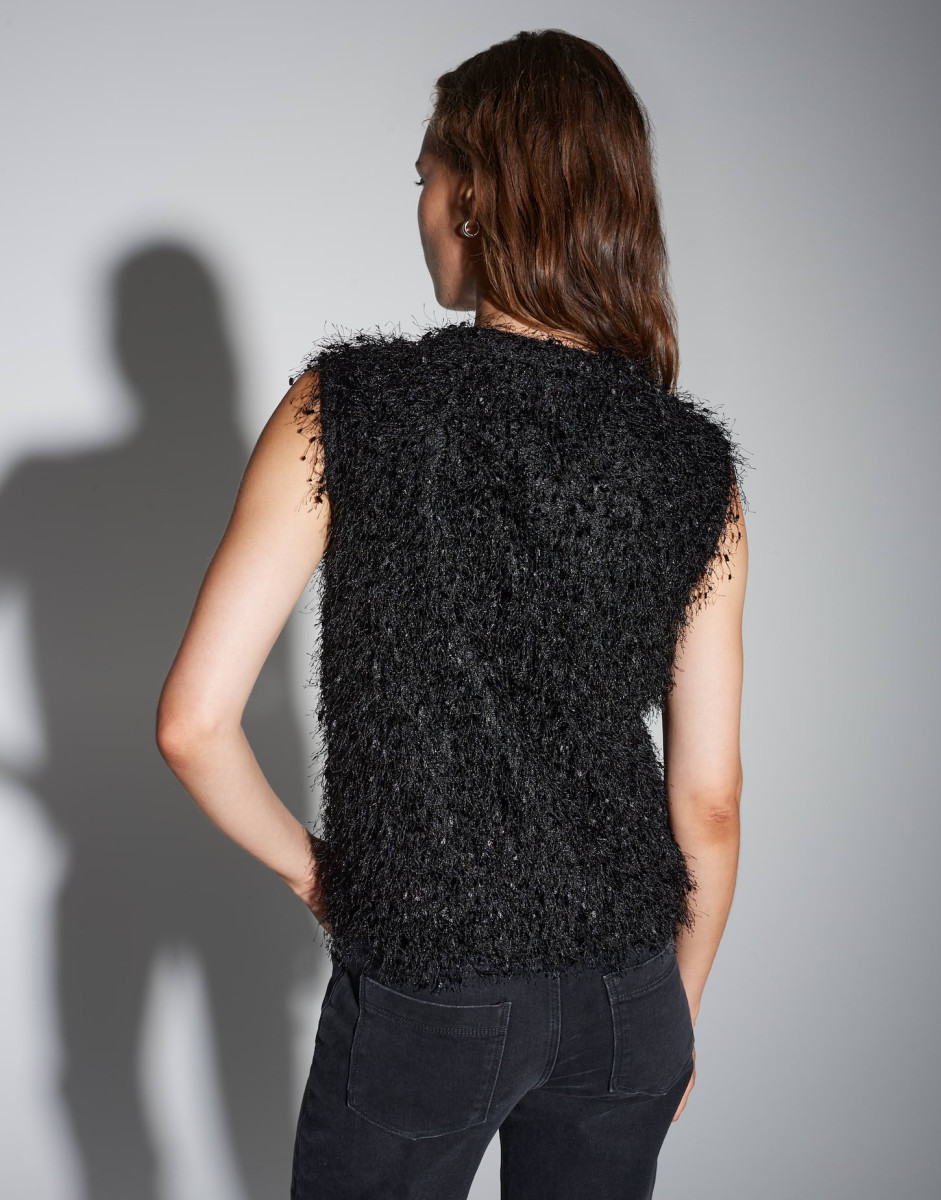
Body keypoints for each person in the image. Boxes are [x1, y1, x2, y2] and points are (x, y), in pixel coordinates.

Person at [157, 27, 750, 1200]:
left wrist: (324, 882)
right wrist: (672, 1010)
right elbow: (709, 801)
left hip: (432, 982)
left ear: (473, 195)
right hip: (629, 995)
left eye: (425, 176)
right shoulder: (693, 464)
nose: (421, 205)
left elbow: (192, 725)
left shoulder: (348, 407)